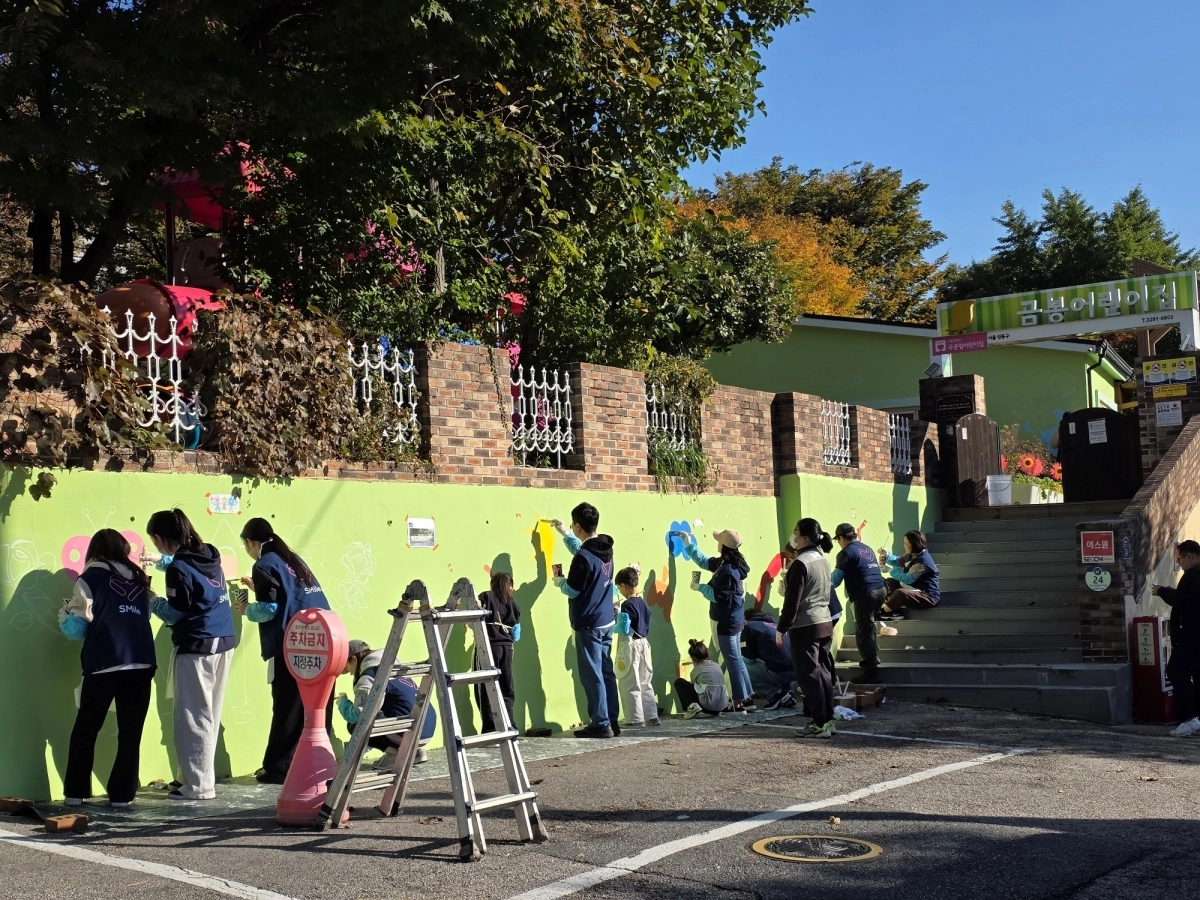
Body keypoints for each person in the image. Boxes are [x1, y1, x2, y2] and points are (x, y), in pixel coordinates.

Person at [58, 530, 157, 808]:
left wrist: (63, 614)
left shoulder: (90, 579)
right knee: (130, 733)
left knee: (86, 728)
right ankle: (122, 797)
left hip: (104, 663)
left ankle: (75, 794)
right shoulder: (140, 580)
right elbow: (143, 616)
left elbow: (76, 630)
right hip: (141, 661)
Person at [146, 508, 237, 800]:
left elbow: (174, 614)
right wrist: (161, 563)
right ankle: (195, 779)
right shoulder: (208, 554)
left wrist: (152, 601)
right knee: (209, 714)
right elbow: (192, 576)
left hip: (197, 645)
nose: (156, 547)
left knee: (193, 717)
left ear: (159, 537)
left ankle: (198, 787)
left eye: (155, 542)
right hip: (223, 641)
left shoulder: (178, 569)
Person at [235, 517, 332, 784]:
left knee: (287, 707)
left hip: (292, 643)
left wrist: (246, 610)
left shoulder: (263, 564)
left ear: (250, 542)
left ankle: (279, 767)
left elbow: (270, 609)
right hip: (324, 639)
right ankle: (321, 764)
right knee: (315, 708)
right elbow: (293, 594)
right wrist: (258, 590)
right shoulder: (293, 558)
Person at [552, 503, 620, 738]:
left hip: (588, 623)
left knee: (593, 675)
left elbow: (573, 589)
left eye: (572, 525)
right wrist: (565, 534)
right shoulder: (605, 548)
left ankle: (600, 723)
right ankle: (612, 719)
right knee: (606, 671)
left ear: (578, 525)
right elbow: (584, 553)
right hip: (606, 621)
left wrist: (559, 581)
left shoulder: (583, 557)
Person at [679, 529, 755, 712]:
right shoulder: (728, 563)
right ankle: (748, 698)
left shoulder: (728, 571)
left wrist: (699, 587)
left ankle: (739, 700)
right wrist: (689, 545)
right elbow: (706, 562)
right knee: (737, 659)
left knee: (733, 660)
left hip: (727, 622)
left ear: (724, 546)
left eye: (719, 540)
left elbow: (718, 596)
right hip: (734, 618)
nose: (717, 542)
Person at [778, 518, 837, 739]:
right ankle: (827, 718)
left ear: (805, 537)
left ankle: (819, 722)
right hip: (824, 620)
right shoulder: (822, 559)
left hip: (805, 624)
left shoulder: (801, 563)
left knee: (808, 675)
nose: (793, 536)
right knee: (822, 671)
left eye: (795, 532)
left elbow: (793, 600)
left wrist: (782, 626)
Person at [338, 640, 437, 766]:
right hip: (427, 727)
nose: (350, 673)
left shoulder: (369, 677)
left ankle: (396, 756)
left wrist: (342, 702)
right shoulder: (391, 664)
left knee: (355, 724)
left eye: (347, 668)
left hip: (411, 731)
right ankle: (416, 752)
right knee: (386, 708)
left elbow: (358, 715)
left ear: (354, 659)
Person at [1153, 540, 1200, 738]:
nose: (1179, 564)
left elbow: (1179, 599)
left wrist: (1161, 591)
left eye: (1180, 559)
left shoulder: (1192, 576)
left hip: (1191, 636)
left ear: (1190, 556)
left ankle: (1190, 719)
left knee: (1176, 671)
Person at [831, 522, 887, 682]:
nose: (838, 544)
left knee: (863, 632)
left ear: (841, 538)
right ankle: (873, 659)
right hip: (881, 590)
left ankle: (871, 673)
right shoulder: (866, 548)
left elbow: (835, 581)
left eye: (838, 540)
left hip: (865, 594)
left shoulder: (845, 553)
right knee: (868, 628)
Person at [477, 571, 521, 733]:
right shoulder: (513, 603)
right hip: (507, 648)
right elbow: (516, 631)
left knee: (487, 686)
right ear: (509, 586)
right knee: (506, 686)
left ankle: (490, 729)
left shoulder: (486, 597)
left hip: (489, 647)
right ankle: (510, 725)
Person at [614, 566, 658, 727]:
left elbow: (624, 628)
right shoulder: (643, 603)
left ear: (624, 586)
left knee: (630, 682)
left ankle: (635, 718)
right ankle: (652, 716)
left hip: (631, 644)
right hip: (644, 643)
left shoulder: (627, 605)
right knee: (646, 681)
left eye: (619, 588)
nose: (620, 591)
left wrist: (616, 618)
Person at [877, 529, 940, 622]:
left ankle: (882, 612)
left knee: (901, 593)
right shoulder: (912, 554)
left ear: (914, 544)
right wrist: (887, 555)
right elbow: (898, 561)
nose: (904, 546)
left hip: (927, 596)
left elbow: (907, 579)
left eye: (906, 544)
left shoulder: (922, 562)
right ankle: (894, 610)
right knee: (889, 582)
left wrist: (889, 569)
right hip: (914, 589)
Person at [741, 608, 796, 710]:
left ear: (746, 620)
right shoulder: (777, 626)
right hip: (797, 672)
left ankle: (775, 694)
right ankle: (788, 693)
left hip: (780, 672)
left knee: (741, 668)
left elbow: (750, 659)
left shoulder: (749, 627)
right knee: (778, 658)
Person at [674, 639, 730, 718]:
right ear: (707, 653)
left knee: (679, 682)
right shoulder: (716, 665)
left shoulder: (696, 670)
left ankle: (691, 708)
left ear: (693, 658)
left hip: (708, 706)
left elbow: (694, 687)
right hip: (721, 706)